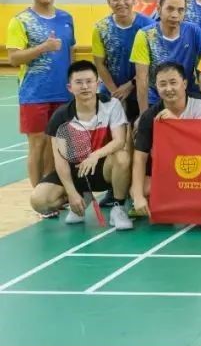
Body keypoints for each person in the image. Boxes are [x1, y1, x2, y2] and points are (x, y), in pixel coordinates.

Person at [28, 61, 133, 229]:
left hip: (104, 168)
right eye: (79, 82)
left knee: (122, 157)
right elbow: (61, 161)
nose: (85, 86)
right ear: (70, 88)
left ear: (97, 83)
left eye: (89, 81)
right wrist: (71, 192)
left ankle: (118, 207)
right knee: (39, 201)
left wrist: (95, 155)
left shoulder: (112, 106)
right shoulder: (61, 116)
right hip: (75, 171)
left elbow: (119, 141)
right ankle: (82, 197)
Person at [7, 0, 75, 187]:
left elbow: (70, 53)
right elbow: (14, 58)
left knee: (57, 144)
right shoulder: (21, 20)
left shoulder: (66, 18)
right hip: (34, 93)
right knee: (38, 143)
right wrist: (43, 47)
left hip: (63, 92)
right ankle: (38, 194)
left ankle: (51, 190)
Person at [131, 62, 201, 216]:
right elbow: (140, 157)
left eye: (173, 82)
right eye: (162, 84)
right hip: (167, 169)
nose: (168, 89)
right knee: (142, 190)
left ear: (184, 84)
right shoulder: (149, 116)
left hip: (197, 165)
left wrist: (176, 123)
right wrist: (137, 196)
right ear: (156, 87)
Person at [131, 0, 201, 113]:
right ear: (159, 9)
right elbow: (142, 79)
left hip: (188, 97)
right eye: (170, 9)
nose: (175, 15)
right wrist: (144, 114)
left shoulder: (194, 31)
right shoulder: (144, 35)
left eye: (180, 10)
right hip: (156, 99)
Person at [93, 0, 155, 125]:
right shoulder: (101, 28)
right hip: (111, 91)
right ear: (109, 2)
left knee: (139, 131)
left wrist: (130, 85)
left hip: (143, 91)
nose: (121, 3)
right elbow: (100, 64)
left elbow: (153, 62)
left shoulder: (149, 26)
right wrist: (115, 93)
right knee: (112, 134)